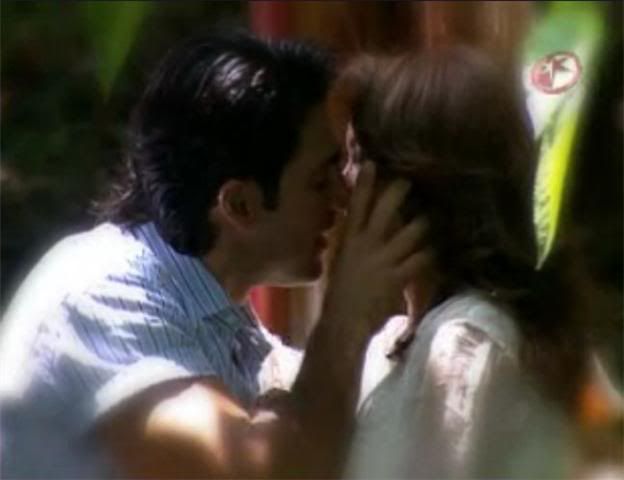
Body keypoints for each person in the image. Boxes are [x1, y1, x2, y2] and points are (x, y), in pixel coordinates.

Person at [0, 32, 430, 478]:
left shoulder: (203, 301)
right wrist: (347, 318)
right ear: (240, 205)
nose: (343, 200)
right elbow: (265, 471)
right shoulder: (106, 301)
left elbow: (309, 408)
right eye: (320, 181)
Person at [331, 47, 591, 479]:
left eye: (358, 158)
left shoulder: (464, 340)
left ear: (415, 183)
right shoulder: (399, 339)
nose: (343, 185)